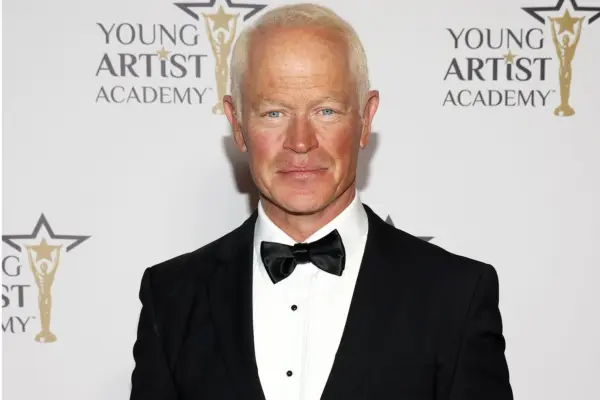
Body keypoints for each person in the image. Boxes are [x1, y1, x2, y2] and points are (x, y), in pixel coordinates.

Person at [129, 3, 513, 399]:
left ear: (365, 118)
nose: (300, 141)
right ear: (237, 124)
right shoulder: (171, 297)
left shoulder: (455, 296)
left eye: (326, 111)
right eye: (274, 113)